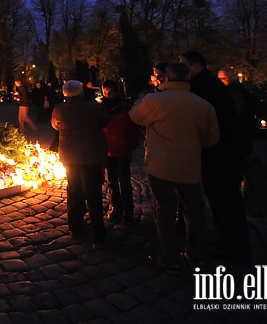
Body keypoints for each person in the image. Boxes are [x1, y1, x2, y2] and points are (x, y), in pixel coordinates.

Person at [129, 62, 220, 270]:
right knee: (194, 210)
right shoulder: (203, 105)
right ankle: (196, 252)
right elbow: (212, 138)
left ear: (166, 78)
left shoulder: (154, 101)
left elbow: (134, 116)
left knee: (164, 210)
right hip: (190, 165)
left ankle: (168, 255)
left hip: (161, 166)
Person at [180, 50, 252, 264]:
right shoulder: (209, 84)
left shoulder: (205, 87)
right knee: (225, 202)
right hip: (224, 152)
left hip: (220, 154)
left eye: (184, 65)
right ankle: (232, 243)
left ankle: (235, 249)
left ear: (194, 66)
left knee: (225, 201)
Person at [51, 79, 109, 248]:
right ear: (81, 91)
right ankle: (99, 235)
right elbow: (104, 121)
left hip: (69, 156)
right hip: (90, 155)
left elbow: (55, 126)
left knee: (74, 190)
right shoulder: (92, 107)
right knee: (93, 194)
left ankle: (74, 226)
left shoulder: (59, 109)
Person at [100, 80, 140, 224]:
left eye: (109, 92)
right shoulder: (101, 108)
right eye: (104, 92)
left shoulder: (126, 107)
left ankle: (128, 210)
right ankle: (115, 207)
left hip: (122, 148)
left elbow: (134, 129)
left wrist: (131, 144)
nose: (107, 95)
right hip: (108, 149)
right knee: (111, 181)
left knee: (124, 181)